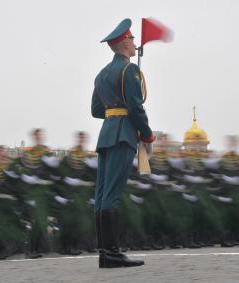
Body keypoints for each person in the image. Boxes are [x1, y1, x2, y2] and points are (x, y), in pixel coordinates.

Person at [91, 18, 155, 268]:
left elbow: (96, 110)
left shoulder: (101, 75)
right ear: (125, 42)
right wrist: (147, 134)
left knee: (101, 195)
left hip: (106, 134)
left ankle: (104, 253)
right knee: (112, 196)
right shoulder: (129, 70)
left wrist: (114, 110)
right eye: (132, 40)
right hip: (123, 136)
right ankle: (113, 254)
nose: (135, 44)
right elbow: (136, 108)